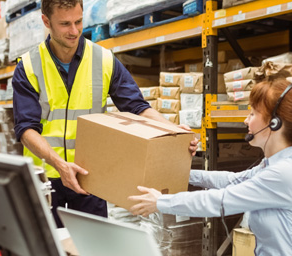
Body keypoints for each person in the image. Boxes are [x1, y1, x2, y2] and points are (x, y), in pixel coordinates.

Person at [12, 0, 198, 228]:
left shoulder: (103, 59)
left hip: (89, 175)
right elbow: (25, 129)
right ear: (46, 21)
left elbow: (137, 106)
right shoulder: (29, 66)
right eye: (65, 24)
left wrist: (173, 131)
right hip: (44, 178)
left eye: (78, 22)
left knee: (93, 245)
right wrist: (60, 165)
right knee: (47, 246)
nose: (74, 31)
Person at [129, 78, 292, 255]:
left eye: (252, 114)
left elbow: (221, 201)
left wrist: (161, 202)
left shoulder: (286, 173)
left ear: (274, 123)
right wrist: (180, 172)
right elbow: (232, 180)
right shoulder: (279, 165)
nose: (246, 120)